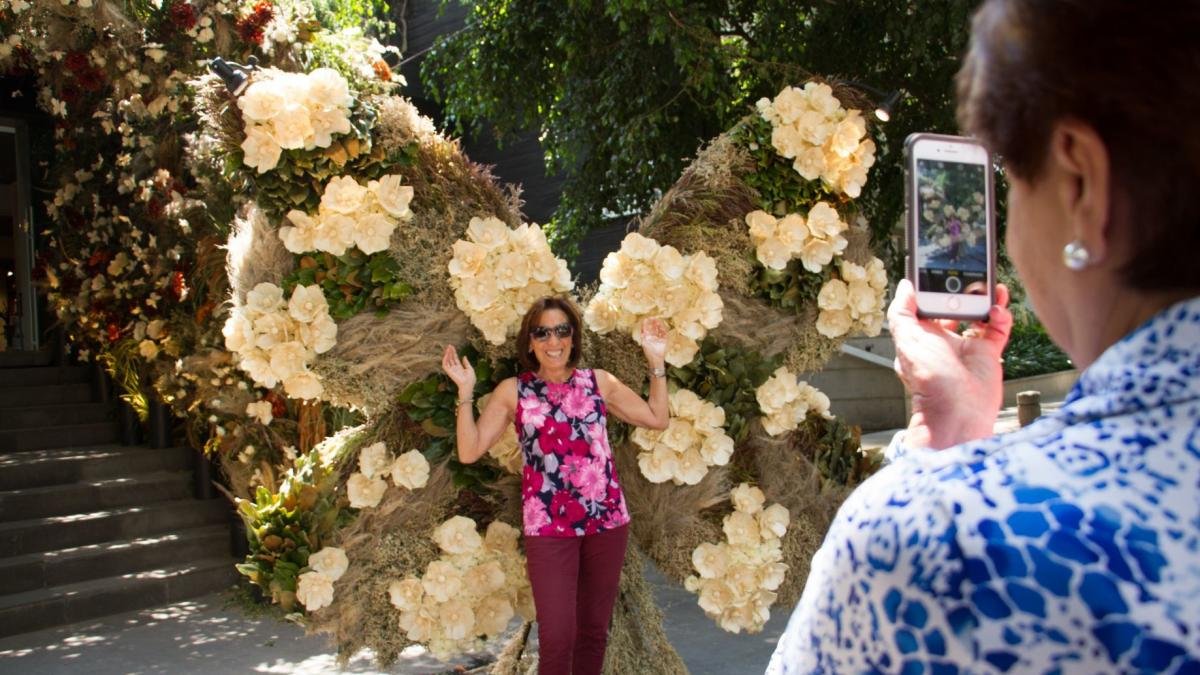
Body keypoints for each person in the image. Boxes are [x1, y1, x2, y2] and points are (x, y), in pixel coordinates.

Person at [769, 1, 1200, 672]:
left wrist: (936, 478)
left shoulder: (933, 544)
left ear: (1081, 179)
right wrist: (957, 440)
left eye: (1014, 183)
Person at [442, 296, 669, 675]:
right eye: (542, 332)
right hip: (549, 528)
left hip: (607, 523)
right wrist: (465, 392)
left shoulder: (599, 382)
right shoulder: (514, 391)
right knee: (558, 635)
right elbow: (469, 450)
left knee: (593, 632)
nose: (554, 340)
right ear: (529, 342)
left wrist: (656, 361)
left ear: (574, 337)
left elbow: (656, 418)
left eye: (562, 330)